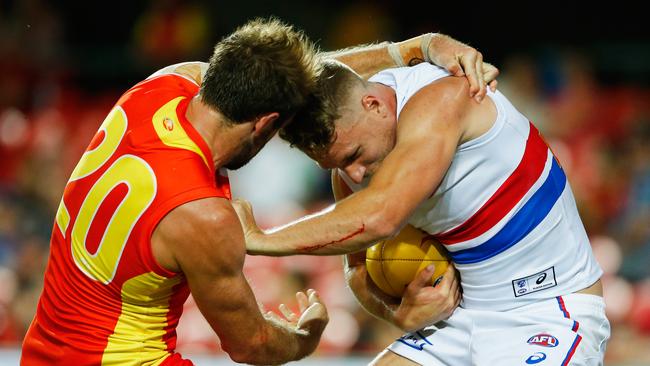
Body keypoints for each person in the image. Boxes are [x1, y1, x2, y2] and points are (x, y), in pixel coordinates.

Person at [20, 16, 496, 365]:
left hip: (40, 350)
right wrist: (305, 336)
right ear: (267, 124)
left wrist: (409, 50)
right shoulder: (202, 215)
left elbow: (301, 75)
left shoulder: (163, 87)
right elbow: (254, 347)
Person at [235, 58, 610, 364]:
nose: (353, 174)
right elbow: (358, 269)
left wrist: (261, 239)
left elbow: (381, 217)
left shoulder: (443, 98)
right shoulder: (353, 159)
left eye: (352, 156)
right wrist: (393, 313)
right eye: (335, 166)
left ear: (375, 104)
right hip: (459, 319)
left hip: (545, 311)